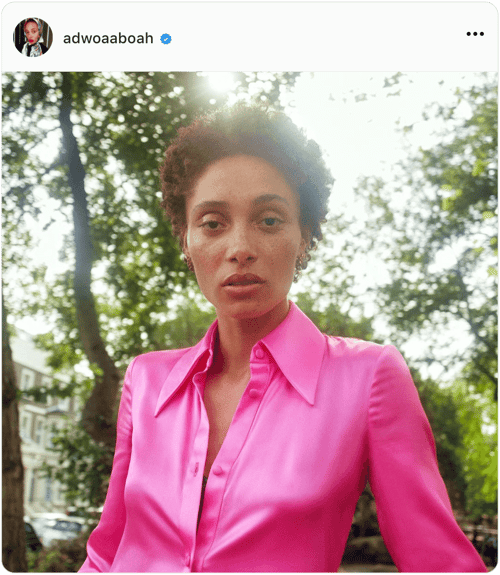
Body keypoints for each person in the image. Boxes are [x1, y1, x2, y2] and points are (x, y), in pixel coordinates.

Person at [79, 104, 487, 573]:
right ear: (186, 242)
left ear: (305, 236)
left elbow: (439, 563)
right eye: (212, 223)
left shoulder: (368, 378)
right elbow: (106, 552)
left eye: (269, 220)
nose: (239, 249)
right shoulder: (146, 379)